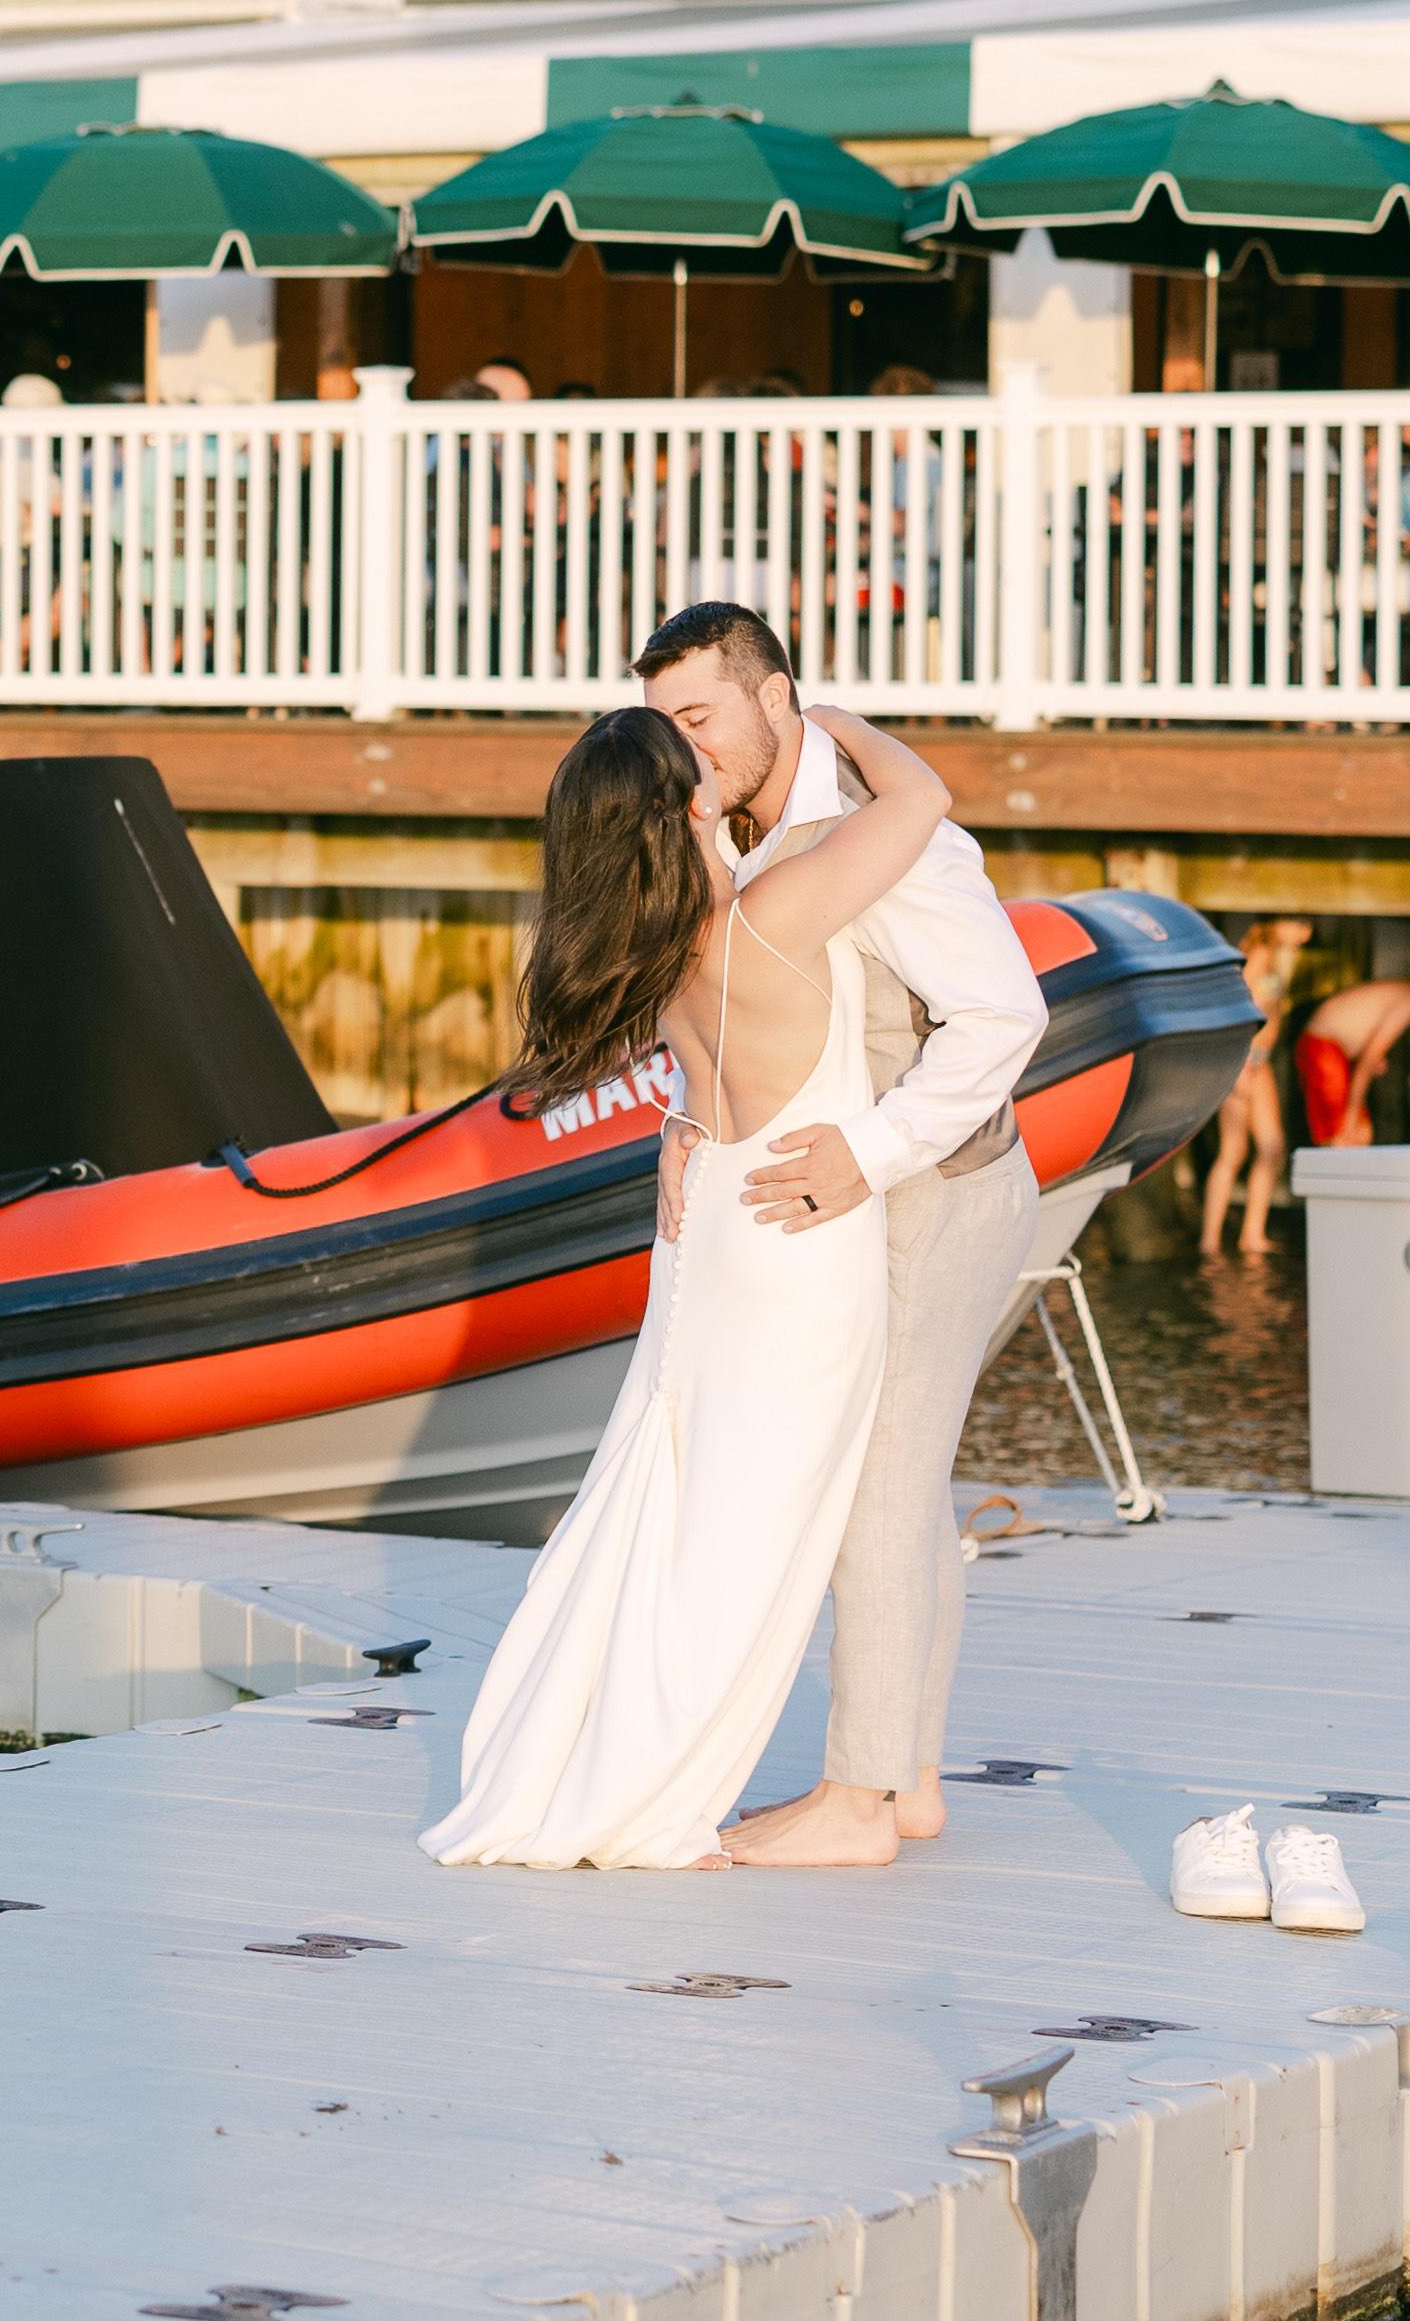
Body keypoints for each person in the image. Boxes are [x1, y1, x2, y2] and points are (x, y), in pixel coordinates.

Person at [421, 690, 959, 1872]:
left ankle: (595, 1753)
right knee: (748, 1536)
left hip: (707, 1224)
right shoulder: (773, 912)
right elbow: (921, 796)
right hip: (792, 1242)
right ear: (690, 799)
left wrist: (675, 1118)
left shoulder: (655, 947)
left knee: (668, 1503)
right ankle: (661, 1779)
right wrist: (833, 723)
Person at [608, 603, 1047, 1870]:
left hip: (934, 1191)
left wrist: (872, 1150)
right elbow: (730, 997)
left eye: (699, 717)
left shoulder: (885, 829)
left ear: (774, 696)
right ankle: (906, 1780)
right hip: (847, 1197)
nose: (682, 749)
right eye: (663, 724)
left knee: (876, 1484)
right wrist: (686, 1111)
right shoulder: (721, 817)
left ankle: (859, 1803)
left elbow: (1002, 1015)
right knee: (899, 1486)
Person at [1198, 916, 1314, 1253]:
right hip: (1244, 1059)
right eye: (1299, 923)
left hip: (1258, 1060)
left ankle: (1251, 1233)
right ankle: (1210, 1241)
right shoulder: (1259, 955)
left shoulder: (1272, 956)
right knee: (1234, 1151)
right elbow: (1235, 1008)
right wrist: (1240, 1062)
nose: (1306, 932)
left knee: (1270, 1147)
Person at [1292, 948, 1410, 1155]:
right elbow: (1368, 1061)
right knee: (1344, 1135)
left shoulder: (1403, 988)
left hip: (1332, 1050)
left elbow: (1368, 1053)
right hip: (1324, 1048)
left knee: (1360, 1134)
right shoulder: (1409, 999)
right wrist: (1351, 1114)